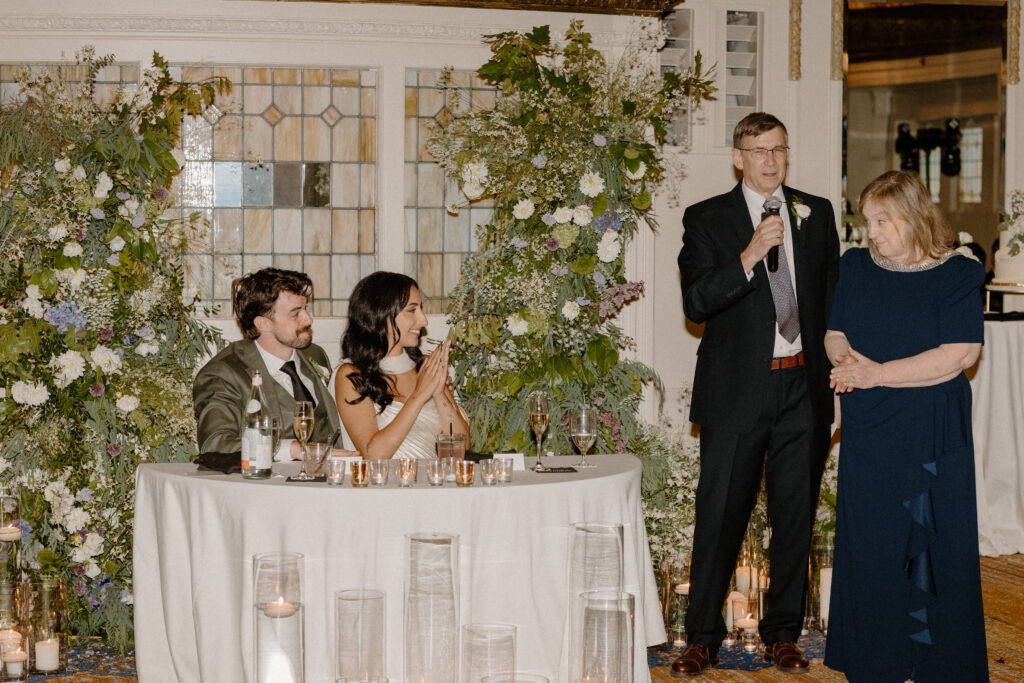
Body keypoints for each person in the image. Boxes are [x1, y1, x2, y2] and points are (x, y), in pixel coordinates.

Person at [675, 112, 839, 676]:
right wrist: (748, 255)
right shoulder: (707, 218)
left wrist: (840, 373)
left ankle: (783, 636)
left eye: (780, 150)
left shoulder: (815, 213)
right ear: (738, 156)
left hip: (803, 383)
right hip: (736, 391)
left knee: (794, 516)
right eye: (760, 150)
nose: (772, 161)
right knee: (719, 512)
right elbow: (696, 303)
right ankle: (701, 636)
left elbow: (832, 301)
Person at [824, 170, 988, 682]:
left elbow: (959, 355)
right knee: (872, 546)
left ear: (913, 217)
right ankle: (876, 660)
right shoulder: (855, 265)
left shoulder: (958, 273)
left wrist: (876, 374)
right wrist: (849, 363)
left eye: (881, 221)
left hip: (929, 433)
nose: (870, 232)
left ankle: (938, 664)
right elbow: (834, 333)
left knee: (934, 547)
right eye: (866, 221)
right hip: (871, 431)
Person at [193, 268, 343, 459]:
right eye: (295, 314)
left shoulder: (315, 354)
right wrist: (293, 449)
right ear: (263, 324)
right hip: (268, 485)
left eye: (306, 309)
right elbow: (215, 443)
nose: (308, 319)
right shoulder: (223, 373)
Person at [333, 271, 468, 460]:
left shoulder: (425, 367)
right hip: (383, 487)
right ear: (381, 314)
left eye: (421, 309)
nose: (423, 320)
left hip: (432, 483)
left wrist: (438, 391)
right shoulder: (351, 375)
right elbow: (373, 455)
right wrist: (420, 395)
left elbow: (461, 446)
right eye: (412, 310)